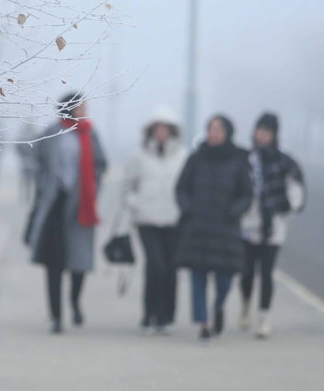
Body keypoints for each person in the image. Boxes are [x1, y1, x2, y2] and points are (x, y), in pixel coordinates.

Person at [24, 93, 108, 334]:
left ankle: (75, 302)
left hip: (81, 205)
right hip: (54, 205)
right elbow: (35, 160)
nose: (85, 110)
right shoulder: (52, 133)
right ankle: (56, 316)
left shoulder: (89, 134)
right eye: (82, 106)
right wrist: (43, 183)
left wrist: (93, 187)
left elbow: (101, 164)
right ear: (70, 108)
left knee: (79, 262)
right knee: (54, 263)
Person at [175, 115, 253, 341]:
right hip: (197, 227)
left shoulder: (238, 160)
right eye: (211, 129)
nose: (214, 133)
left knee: (224, 280)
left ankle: (218, 306)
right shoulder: (196, 159)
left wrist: (235, 211)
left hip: (226, 229)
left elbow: (246, 193)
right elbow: (181, 188)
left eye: (219, 129)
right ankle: (204, 323)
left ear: (228, 132)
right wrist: (188, 208)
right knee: (197, 278)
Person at [239, 112, 306, 338]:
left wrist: (288, 206)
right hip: (249, 223)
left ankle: (263, 317)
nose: (262, 135)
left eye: (267, 131)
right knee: (247, 272)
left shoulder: (284, 160)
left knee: (266, 273)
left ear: (274, 134)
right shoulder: (247, 158)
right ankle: (245, 305)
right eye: (260, 130)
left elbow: (297, 186)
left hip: (274, 225)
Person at [121, 107, 187, 334]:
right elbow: (127, 186)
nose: (161, 133)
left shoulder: (183, 156)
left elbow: (189, 187)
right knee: (155, 266)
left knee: (171, 268)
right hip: (147, 219)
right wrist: (135, 204)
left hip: (174, 220)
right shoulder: (138, 157)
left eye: (165, 129)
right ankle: (149, 314)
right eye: (157, 129)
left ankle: (166, 317)